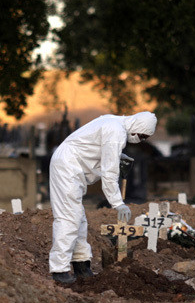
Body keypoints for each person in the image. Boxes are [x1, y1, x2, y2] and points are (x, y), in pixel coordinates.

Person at [48, 111, 158, 284]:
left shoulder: (114, 123)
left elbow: (95, 147)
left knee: (79, 218)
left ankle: (81, 266)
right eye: (142, 136)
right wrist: (118, 203)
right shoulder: (116, 131)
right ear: (137, 127)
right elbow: (109, 173)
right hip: (67, 167)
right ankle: (59, 271)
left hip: (72, 166)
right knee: (68, 217)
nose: (140, 140)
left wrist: (118, 156)